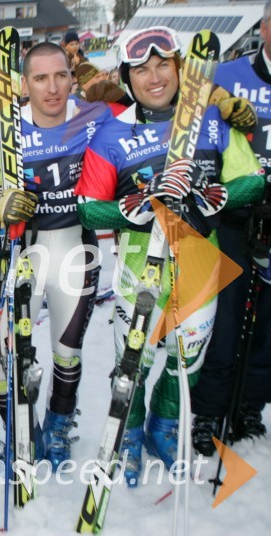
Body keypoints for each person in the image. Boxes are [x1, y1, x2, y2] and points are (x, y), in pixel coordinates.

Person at [74, 26, 265, 486]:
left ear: (180, 68)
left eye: (164, 65)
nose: (155, 77)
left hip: (200, 260)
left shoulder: (211, 120)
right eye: (141, 69)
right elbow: (87, 204)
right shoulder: (111, 134)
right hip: (142, 265)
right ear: (127, 75)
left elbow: (252, 178)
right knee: (131, 362)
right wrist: (127, 209)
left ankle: (163, 424)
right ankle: (133, 432)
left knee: (189, 362)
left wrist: (217, 197)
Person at [0, 41, 114, 470]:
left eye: (60, 75)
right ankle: (21, 429)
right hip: (25, 253)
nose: (52, 87)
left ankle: (58, 424)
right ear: (24, 84)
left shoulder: (97, 119)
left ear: (72, 78)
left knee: (67, 352)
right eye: (40, 78)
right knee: (1, 355)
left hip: (76, 251)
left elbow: (156, 114)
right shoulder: (2, 129)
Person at [192, 0, 271, 452]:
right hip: (233, 214)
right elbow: (180, 98)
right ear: (263, 27)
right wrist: (218, 98)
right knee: (225, 320)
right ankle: (208, 411)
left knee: (267, 327)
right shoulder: (227, 73)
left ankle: (250, 405)